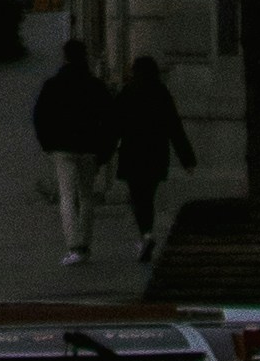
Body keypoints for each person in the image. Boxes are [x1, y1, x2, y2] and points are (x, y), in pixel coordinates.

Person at [33, 32, 124, 267]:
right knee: (86, 197)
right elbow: (111, 119)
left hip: (62, 147)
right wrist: (105, 151)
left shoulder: (53, 85)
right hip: (89, 148)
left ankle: (73, 245)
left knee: (67, 196)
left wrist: (47, 144)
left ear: (65, 58)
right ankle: (84, 244)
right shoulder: (95, 86)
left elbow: (40, 116)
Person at [116, 51, 195, 255]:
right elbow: (174, 126)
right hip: (156, 153)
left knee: (137, 197)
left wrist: (103, 153)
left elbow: (115, 124)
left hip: (132, 153)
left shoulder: (128, 92)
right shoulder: (161, 92)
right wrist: (187, 158)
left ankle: (146, 234)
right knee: (148, 196)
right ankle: (146, 234)